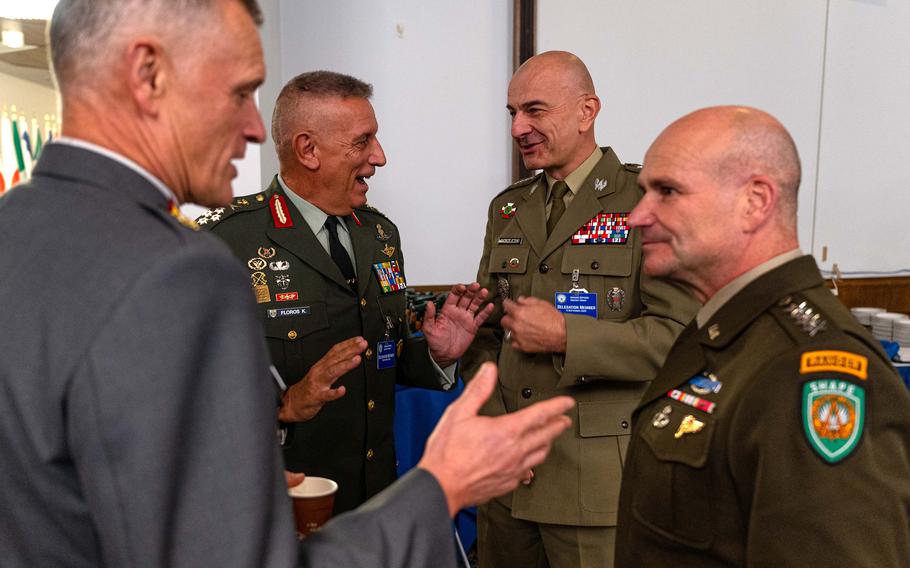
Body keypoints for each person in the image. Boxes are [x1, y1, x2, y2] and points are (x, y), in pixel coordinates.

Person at [0, 1, 574, 566]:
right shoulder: (180, 265)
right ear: (148, 74)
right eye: (238, 92)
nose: (253, 129)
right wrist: (444, 484)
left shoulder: (17, 229)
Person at [615, 106, 910, 566]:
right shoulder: (725, 328)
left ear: (755, 202)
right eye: (643, 192)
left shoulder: (812, 367)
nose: (637, 216)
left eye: (666, 192)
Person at [200, 70, 493, 514]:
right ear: (308, 150)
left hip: (374, 498)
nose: (380, 157)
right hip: (284, 505)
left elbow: (379, 358)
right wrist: (284, 404)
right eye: (362, 141)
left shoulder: (380, 235)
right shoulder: (227, 244)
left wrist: (439, 356)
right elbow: (188, 401)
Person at [461, 51, 698, 568]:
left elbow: (679, 337)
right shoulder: (508, 207)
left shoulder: (644, 200)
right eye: (512, 113)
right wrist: (497, 429)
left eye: (535, 110)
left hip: (592, 489)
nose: (519, 127)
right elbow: (486, 334)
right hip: (506, 482)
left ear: (587, 111)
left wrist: (570, 338)